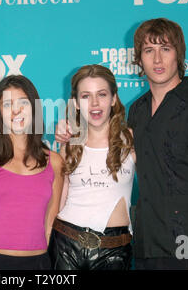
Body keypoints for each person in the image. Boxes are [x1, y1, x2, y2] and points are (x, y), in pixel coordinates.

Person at [56, 18, 188, 270]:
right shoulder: (138, 111)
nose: (157, 59)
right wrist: (68, 129)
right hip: (146, 244)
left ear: (180, 55)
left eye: (165, 49)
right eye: (148, 51)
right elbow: (99, 142)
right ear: (139, 59)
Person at [0, 75, 64, 270]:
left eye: (23, 102)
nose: (16, 110)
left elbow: (50, 223)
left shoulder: (55, 162)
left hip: (38, 263)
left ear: (35, 107)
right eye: (7, 104)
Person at [48, 64, 135, 270]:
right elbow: (58, 199)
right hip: (65, 244)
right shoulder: (68, 144)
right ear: (76, 103)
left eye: (102, 94)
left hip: (114, 250)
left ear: (114, 99)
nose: (95, 103)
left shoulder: (131, 140)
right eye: (86, 96)